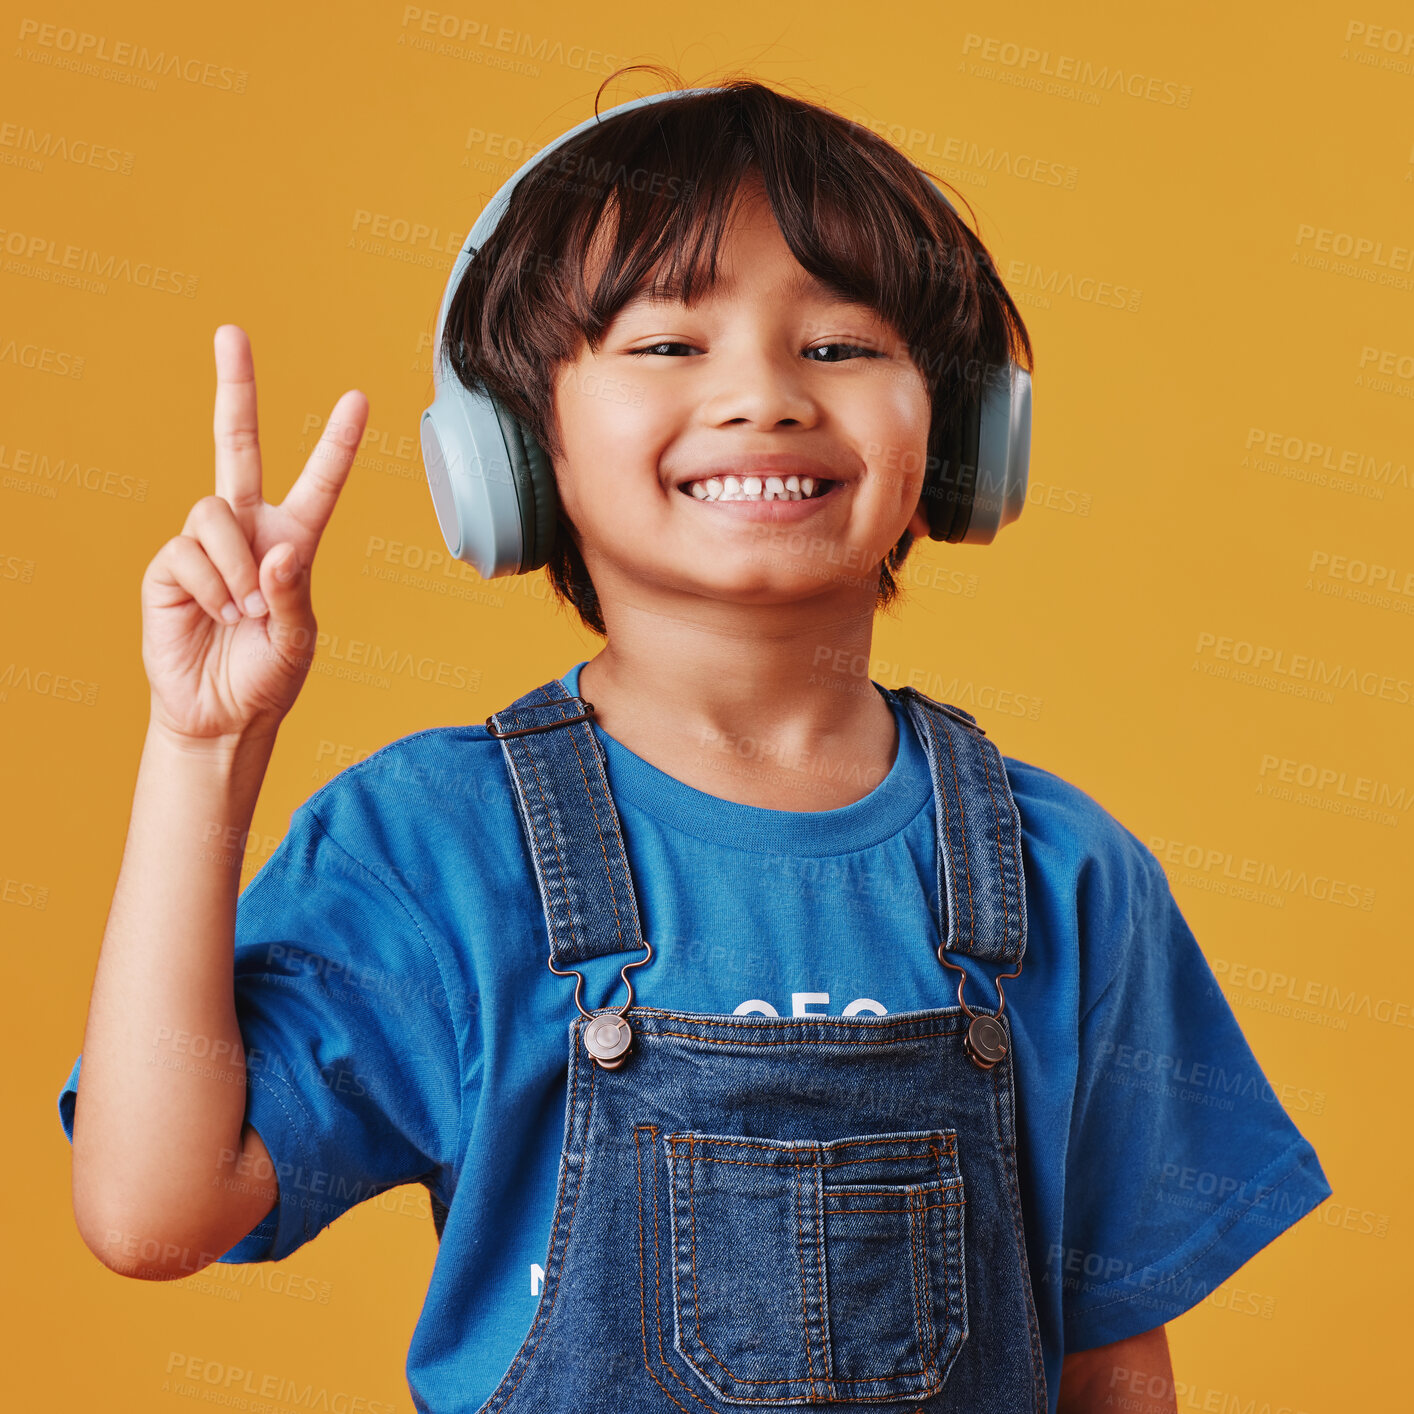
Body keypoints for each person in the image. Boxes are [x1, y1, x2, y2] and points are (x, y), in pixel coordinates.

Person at [56, 71, 1332, 1414]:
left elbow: (1112, 1371)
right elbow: (153, 1213)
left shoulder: (1063, 870)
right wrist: (206, 746)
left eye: (839, 345)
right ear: (514, 446)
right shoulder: (435, 844)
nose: (766, 396)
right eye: (668, 345)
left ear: (958, 436)